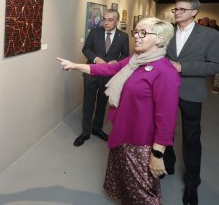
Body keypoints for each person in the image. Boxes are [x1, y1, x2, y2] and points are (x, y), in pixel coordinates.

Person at [57, 17, 180, 204]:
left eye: (143, 33)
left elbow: (167, 119)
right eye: (136, 32)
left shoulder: (165, 72)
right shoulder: (135, 60)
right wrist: (74, 65)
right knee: (127, 186)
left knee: (142, 193)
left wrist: (157, 155)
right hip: (123, 131)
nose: (136, 37)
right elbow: (109, 68)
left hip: (141, 141)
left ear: (160, 39)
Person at [166, 0, 219, 205]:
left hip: (191, 91)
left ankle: (192, 183)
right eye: (176, 9)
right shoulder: (167, 31)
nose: (177, 12)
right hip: (165, 91)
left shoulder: (210, 35)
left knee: (191, 138)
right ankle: (167, 163)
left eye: (182, 9)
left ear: (194, 12)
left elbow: (216, 65)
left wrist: (183, 67)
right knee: (164, 130)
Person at [73, 9, 129, 147]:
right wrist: (97, 59)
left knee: (102, 103)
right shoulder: (95, 32)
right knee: (88, 103)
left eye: (110, 20)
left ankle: (96, 129)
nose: (106, 22)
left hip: (108, 76)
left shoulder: (123, 36)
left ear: (117, 20)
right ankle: (85, 132)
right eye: (104, 19)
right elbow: (86, 49)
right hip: (91, 74)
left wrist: (116, 62)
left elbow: (125, 55)